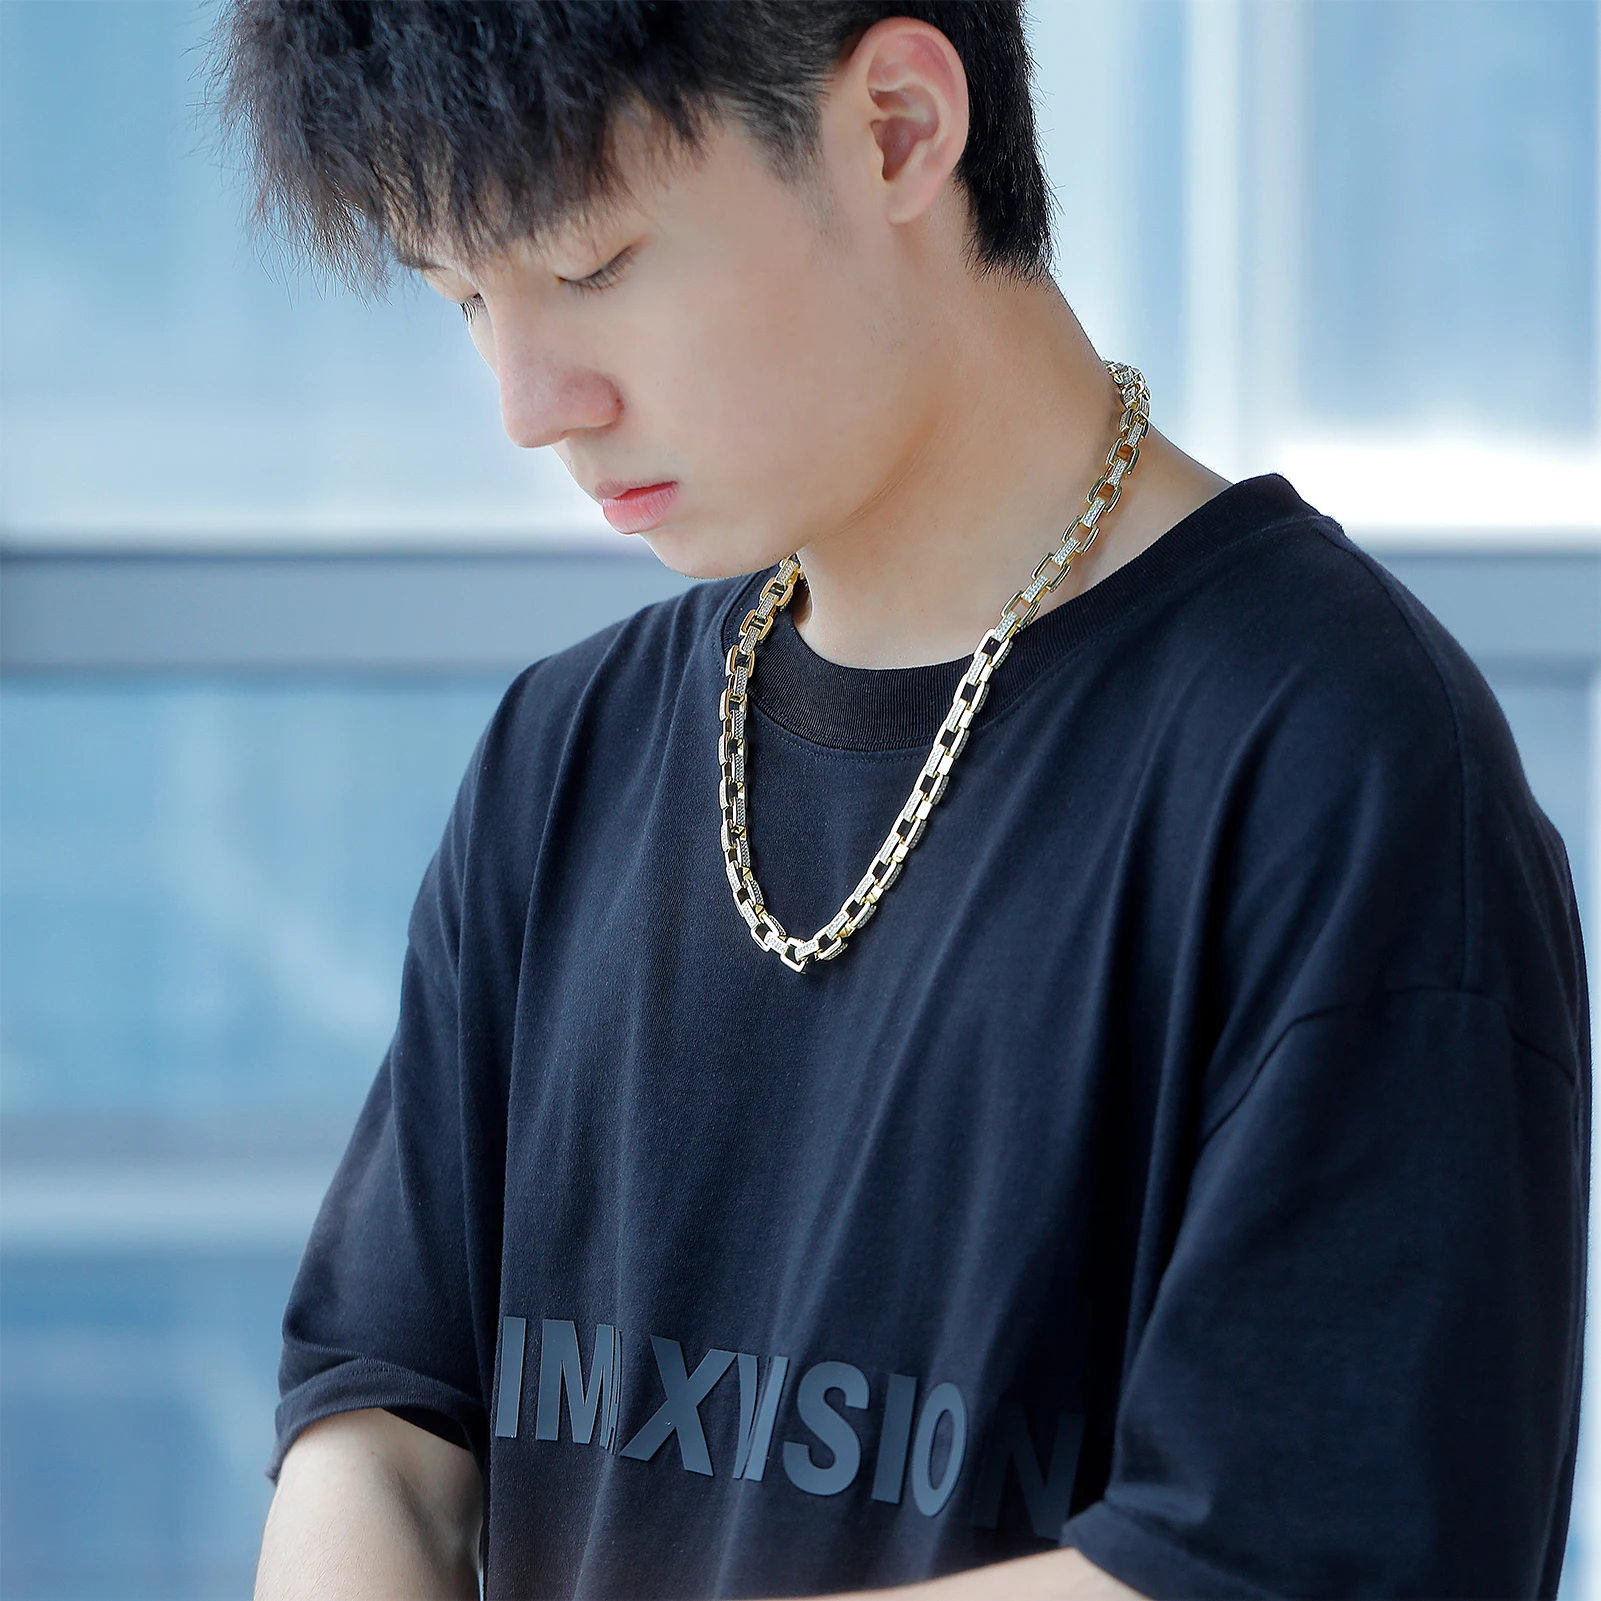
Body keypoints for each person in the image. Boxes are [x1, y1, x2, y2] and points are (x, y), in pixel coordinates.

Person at [215, 4, 1589, 1598]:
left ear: (896, 130)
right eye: (462, 296)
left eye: (591, 265)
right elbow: (380, 1430)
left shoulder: (1336, 769)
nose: (529, 402)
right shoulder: (565, 752)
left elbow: (1291, 1566)